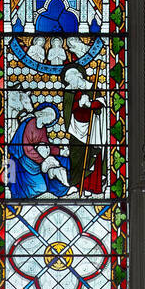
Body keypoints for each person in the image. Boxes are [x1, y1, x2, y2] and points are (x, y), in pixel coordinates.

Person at [7, 103, 71, 197]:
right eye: (50, 116)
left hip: (33, 161)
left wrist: (60, 152)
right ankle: (20, 202)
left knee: (42, 187)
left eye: (52, 118)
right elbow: (27, 148)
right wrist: (43, 161)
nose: (51, 120)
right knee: (38, 188)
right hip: (20, 159)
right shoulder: (30, 124)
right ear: (41, 113)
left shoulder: (42, 128)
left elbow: (47, 145)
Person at [62, 63, 105, 194]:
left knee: (92, 154)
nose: (69, 83)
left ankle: (89, 186)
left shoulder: (92, 87)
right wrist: (79, 104)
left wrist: (90, 104)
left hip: (92, 129)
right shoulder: (70, 91)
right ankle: (75, 184)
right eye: (67, 81)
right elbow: (68, 109)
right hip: (75, 128)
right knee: (75, 155)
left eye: (70, 79)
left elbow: (101, 103)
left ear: (79, 75)